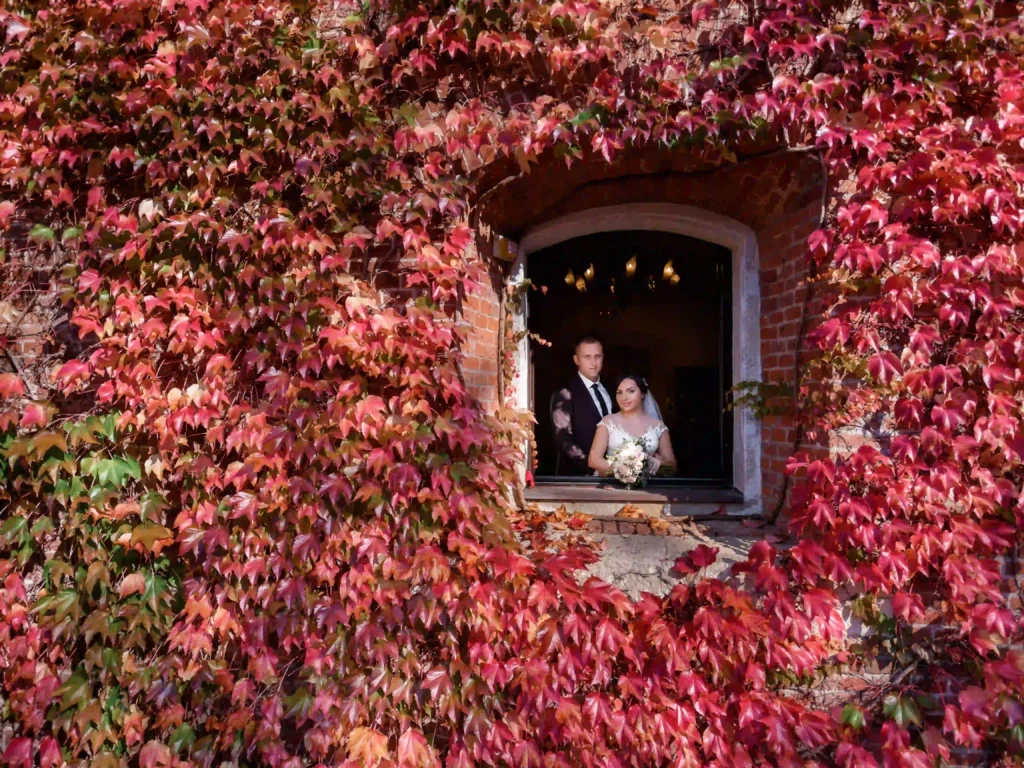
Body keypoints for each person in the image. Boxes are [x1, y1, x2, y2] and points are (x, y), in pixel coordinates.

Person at [588, 373, 677, 478]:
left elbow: (672, 466)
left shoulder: (658, 426)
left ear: (642, 394)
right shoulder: (608, 422)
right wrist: (620, 469)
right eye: (619, 392)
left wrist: (655, 463)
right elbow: (593, 460)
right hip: (612, 484)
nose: (624, 397)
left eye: (631, 391)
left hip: (648, 484)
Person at [550, 335, 616, 475]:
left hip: (615, 474)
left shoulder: (612, 389)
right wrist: (594, 467)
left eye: (597, 356)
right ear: (576, 360)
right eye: (587, 357)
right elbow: (563, 437)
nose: (593, 362)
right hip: (579, 477)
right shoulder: (565, 393)